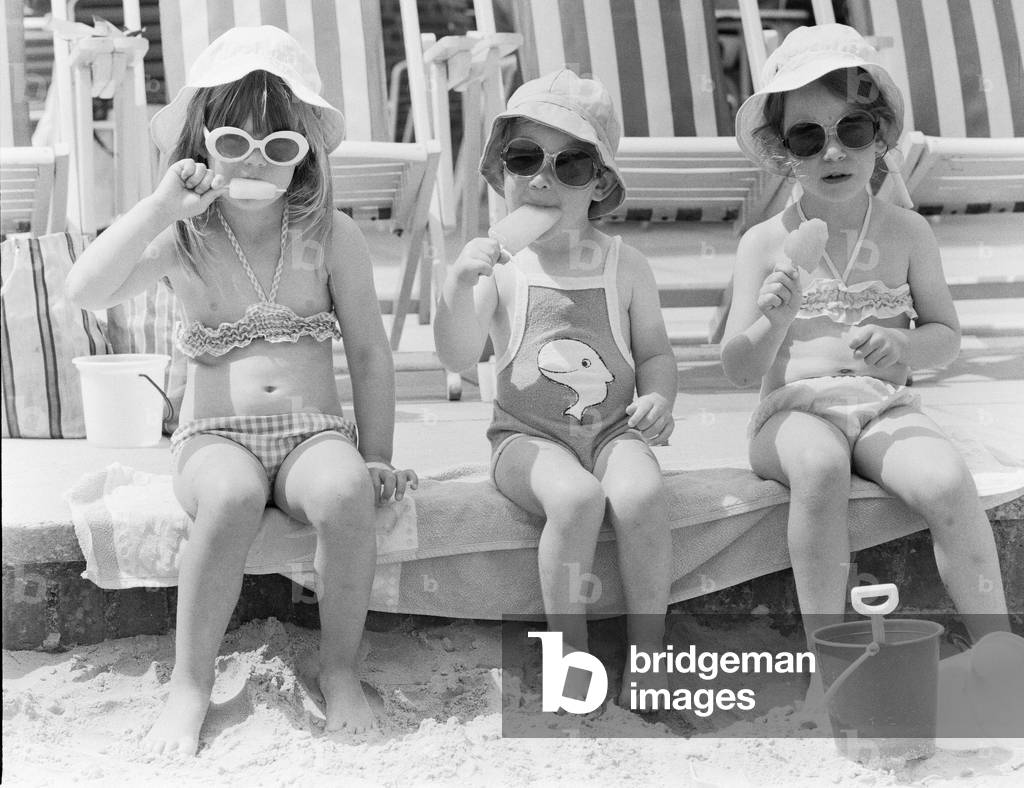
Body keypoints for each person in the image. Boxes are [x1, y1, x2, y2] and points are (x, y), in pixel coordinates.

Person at [66, 27, 416, 754]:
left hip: (311, 431)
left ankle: (341, 668)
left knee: (347, 491)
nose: (256, 160)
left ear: (305, 155)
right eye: (234, 143)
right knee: (230, 497)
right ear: (200, 145)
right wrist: (161, 207)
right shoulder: (186, 236)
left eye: (278, 146)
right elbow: (86, 289)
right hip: (216, 439)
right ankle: (190, 684)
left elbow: (371, 356)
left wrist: (375, 452)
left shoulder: (331, 235)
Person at [722, 25, 1008, 663]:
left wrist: (902, 349)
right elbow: (739, 370)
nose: (832, 152)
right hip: (792, 411)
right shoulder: (765, 244)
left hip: (883, 405)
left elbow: (946, 338)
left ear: (878, 138)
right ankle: (830, 653)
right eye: (807, 136)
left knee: (945, 481)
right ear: (781, 151)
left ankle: (997, 649)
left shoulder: (907, 233)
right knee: (820, 470)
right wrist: (773, 320)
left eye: (851, 129)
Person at [434, 69, 678, 706]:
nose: (543, 177)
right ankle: (569, 661)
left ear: (599, 183)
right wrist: (459, 287)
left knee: (643, 495)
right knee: (573, 502)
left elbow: (653, 353)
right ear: (502, 173)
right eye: (525, 158)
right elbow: (456, 354)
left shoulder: (627, 266)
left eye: (569, 164)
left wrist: (658, 397)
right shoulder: (504, 268)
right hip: (523, 436)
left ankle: (649, 652)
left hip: (612, 428)